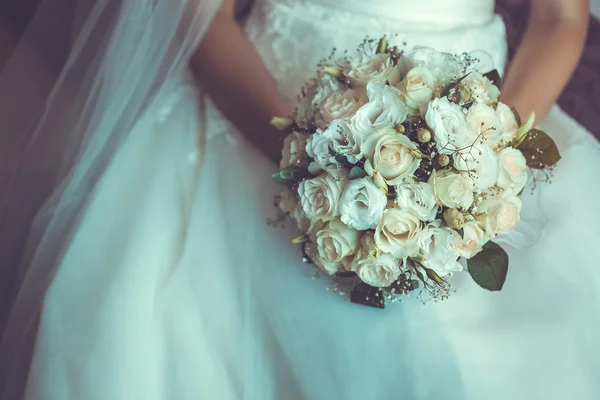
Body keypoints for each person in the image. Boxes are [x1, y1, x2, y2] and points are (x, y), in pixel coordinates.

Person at [1, 0, 599, 398]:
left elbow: (559, 19)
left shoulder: (484, 148)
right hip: (266, 100)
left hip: (484, 120)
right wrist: (307, 155)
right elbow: (196, 13)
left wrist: (482, 157)